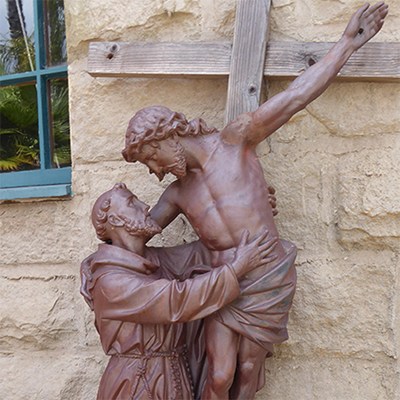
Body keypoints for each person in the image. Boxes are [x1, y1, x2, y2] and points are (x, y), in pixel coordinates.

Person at [121, 3, 389, 399]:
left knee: (248, 371)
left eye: (149, 159)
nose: (153, 171)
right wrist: (108, 235)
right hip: (223, 283)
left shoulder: (236, 140)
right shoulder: (176, 194)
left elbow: (296, 96)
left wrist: (347, 43)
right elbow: (135, 238)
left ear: (163, 138)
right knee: (218, 374)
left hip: (268, 276)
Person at [80, 183, 277, 400]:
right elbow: (174, 299)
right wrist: (236, 269)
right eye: (132, 202)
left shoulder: (154, 260)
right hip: (137, 383)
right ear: (116, 221)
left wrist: (246, 213)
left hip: (175, 375)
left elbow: (207, 252)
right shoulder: (110, 282)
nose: (145, 206)